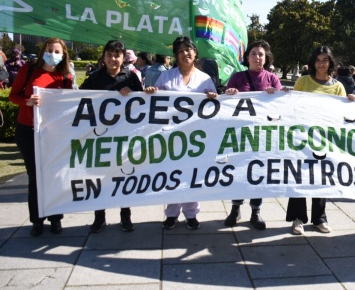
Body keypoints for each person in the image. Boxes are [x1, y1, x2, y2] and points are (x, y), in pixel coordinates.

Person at [144, 36, 219, 230]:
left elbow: (215, 105)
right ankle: (171, 213)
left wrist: (212, 96)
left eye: (189, 49)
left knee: (192, 174)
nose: (185, 53)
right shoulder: (167, 77)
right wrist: (152, 91)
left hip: (196, 138)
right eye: (181, 51)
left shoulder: (205, 79)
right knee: (172, 174)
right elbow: (155, 100)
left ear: (195, 53)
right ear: (176, 56)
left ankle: (191, 214)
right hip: (171, 136)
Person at [286, 45, 355, 235]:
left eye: (325, 60)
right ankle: (298, 218)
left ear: (330, 62)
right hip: (302, 137)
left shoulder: (337, 86)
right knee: (298, 176)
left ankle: (319, 218)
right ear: (312, 62)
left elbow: (342, 113)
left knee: (321, 177)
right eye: (317, 60)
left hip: (325, 139)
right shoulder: (303, 81)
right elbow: (293, 106)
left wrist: (351, 101)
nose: (321, 64)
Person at [9, 38, 74, 236]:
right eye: (49, 50)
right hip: (28, 130)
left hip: (54, 133)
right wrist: (27, 102)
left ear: (63, 54)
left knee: (55, 175)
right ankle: (37, 220)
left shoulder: (65, 77)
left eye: (57, 51)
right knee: (35, 176)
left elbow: (69, 103)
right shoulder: (28, 70)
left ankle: (56, 218)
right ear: (43, 52)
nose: (53, 54)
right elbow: (13, 95)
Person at [80, 40, 144, 233]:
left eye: (117, 55)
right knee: (101, 177)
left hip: (124, 137)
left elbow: (142, 103)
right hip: (101, 138)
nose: (112, 59)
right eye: (109, 54)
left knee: (124, 175)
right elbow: (76, 99)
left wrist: (131, 93)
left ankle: (126, 216)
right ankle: (99, 217)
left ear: (123, 58)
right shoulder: (95, 77)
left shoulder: (131, 77)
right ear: (104, 57)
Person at [223, 40, 283, 230]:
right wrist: (229, 93)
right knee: (239, 171)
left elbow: (281, 108)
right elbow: (225, 103)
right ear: (247, 57)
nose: (257, 57)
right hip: (240, 134)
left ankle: (256, 212)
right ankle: (235, 208)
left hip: (263, 135)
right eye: (254, 54)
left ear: (266, 58)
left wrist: (275, 95)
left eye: (261, 55)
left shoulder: (272, 79)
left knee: (258, 172)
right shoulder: (237, 77)